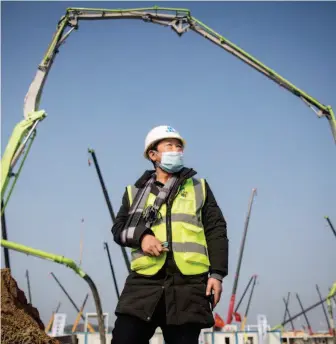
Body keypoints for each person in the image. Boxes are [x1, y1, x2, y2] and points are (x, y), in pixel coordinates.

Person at [111, 125, 228, 344]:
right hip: (143, 284)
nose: (176, 150)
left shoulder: (199, 187)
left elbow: (216, 230)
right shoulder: (134, 192)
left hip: (189, 286)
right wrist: (143, 237)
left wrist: (217, 274)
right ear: (153, 155)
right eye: (170, 146)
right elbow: (119, 228)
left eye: (179, 146)